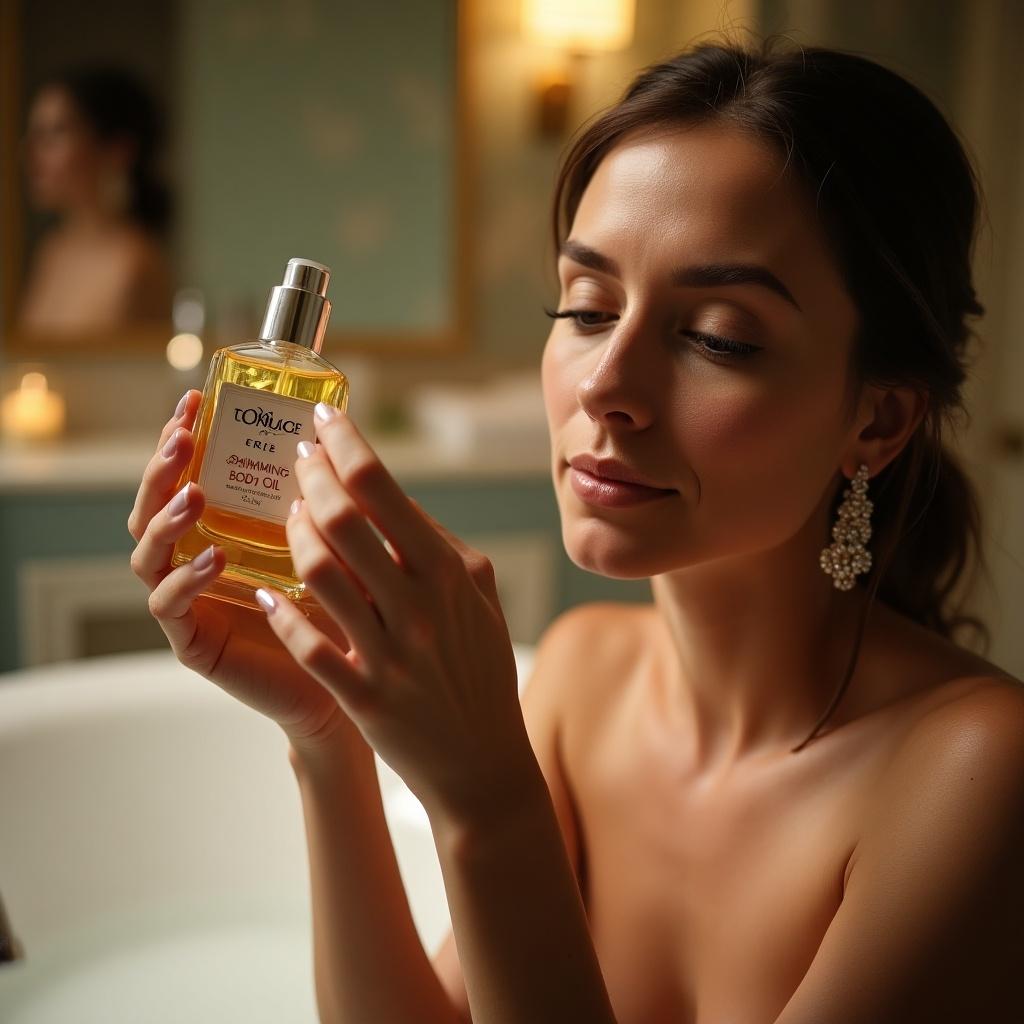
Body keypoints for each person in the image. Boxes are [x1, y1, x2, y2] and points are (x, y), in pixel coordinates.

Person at [128, 32, 1023, 1024]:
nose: (605, 386)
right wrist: (325, 734)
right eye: (588, 308)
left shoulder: (976, 772)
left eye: (718, 335)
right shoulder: (585, 671)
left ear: (878, 419)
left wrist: (491, 806)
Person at [16, 65, 174, 336]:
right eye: (34, 133)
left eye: (55, 133)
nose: (31, 152)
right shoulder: (52, 252)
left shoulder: (133, 265)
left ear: (116, 150)